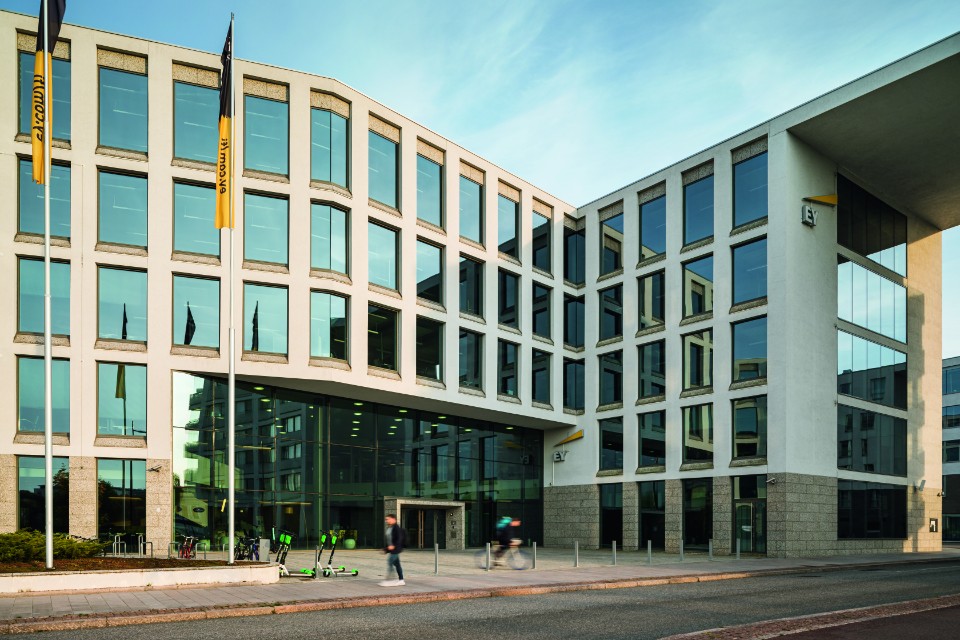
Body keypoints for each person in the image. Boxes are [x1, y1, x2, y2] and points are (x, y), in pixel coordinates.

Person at [379, 513, 405, 586]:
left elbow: (399, 539)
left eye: (388, 519)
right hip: (392, 549)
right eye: (386, 519)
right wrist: (386, 549)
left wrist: (394, 546)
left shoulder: (397, 528)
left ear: (393, 519)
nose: (386, 521)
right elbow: (389, 540)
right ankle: (401, 580)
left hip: (396, 549)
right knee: (397, 565)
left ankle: (390, 580)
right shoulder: (389, 528)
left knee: (390, 562)